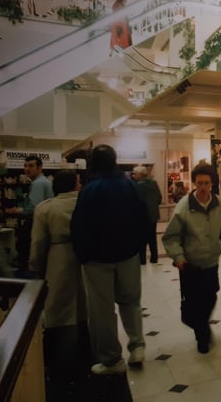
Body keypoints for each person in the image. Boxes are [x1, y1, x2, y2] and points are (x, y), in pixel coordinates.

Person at [71, 144, 148, 375]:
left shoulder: (90, 189)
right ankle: (137, 347)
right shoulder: (129, 185)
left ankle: (112, 360)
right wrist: (137, 247)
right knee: (131, 302)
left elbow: (80, 226)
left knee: (101, 310)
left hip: (97, 260)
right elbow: (143, 218)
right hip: (128, 256)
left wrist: (82, 255)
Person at [162, 163, 221, 354]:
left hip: (210, 262)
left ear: (212, 184)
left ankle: (201, 326)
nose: (203, 187)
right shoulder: (184, 206)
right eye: (200, 183)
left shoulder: (220, 203)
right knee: (194, 301)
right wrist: (178, 257)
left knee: (210, 297)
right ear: (194, 183)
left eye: (207, 183)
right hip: (190, 265)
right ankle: (202, 335)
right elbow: (171, 237)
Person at [29, 171, 89, 395]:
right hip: (85, 257)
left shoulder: (45, 208)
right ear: (75, 184)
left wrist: (35, 267)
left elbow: (38, 242)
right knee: (84, 304)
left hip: (57, 257)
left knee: (57, 307)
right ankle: (86, 351)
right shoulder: (86, 205)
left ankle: (58, 360)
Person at [15, 155, 54, 274]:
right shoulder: (43, 181)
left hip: (35, 220)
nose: (27, 169)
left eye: (31, 166)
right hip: (45, 221)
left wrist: (18, 211)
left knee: (25, 249)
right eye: (25, 166)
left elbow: (33, 207)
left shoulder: (38, 183)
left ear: (40, 167)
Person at [133, 165, 163, 264]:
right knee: (152, 238)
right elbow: (159, 198)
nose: (133, 176)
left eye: (135, 174)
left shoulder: (138, 186)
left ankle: (142, 260)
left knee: (142, 238)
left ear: (140, 175)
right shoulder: (154, 184)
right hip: (153, 215)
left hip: (142, 216)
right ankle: (154, 258)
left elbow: (137, 201)